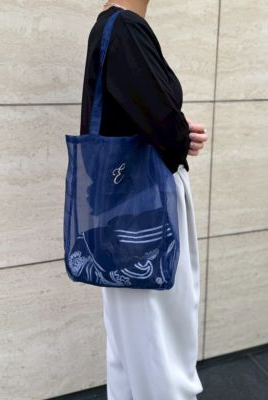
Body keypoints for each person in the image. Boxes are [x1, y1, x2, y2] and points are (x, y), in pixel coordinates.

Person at [80, 1, 208, 399]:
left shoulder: (109, 27)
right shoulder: (126, 29)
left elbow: (132, 115)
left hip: (120, 211)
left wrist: (176, 130)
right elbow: (165, 129)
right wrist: (181, 134)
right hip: (146, 211)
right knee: (160, 343)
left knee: (130, 346)